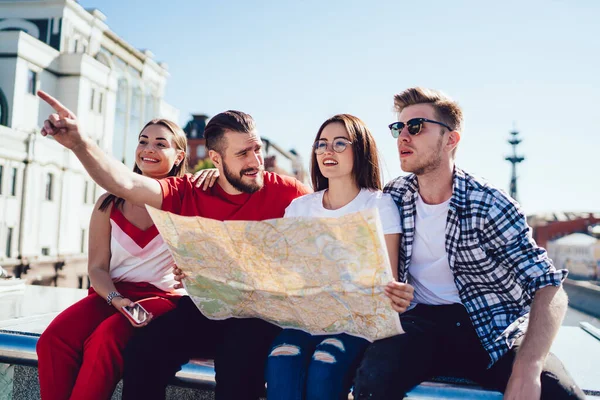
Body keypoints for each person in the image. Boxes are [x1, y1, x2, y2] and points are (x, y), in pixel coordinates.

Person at [36, 90, 311, 400]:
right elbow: (125, 184)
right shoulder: (189, 191)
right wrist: (80, 144)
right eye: (243, 154)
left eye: (257, 150)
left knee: (237, 364)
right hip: (205, 308)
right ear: (217, 159)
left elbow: (323, 226)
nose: (255, 162)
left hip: (256, 314)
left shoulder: (288, 192)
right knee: (143, 353)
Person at [352, 87, 585, 400]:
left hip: (488, 329)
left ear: (451, 140)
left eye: (416, 127)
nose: (403, 137)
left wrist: (528, 366)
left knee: (560, 394)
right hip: (420, 325)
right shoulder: (395, 196)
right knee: (370, 381)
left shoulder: (489, 204)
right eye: (398, 128)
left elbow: (548, 287)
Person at [36, 118, 190, 400]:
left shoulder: (187, 206)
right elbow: (96, 268)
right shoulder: (108, 202)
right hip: (112, 293)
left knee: (106, 338)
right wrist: (116, 299)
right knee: (52, 340)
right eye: (143, 141)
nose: (148, 149)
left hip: (162, 299)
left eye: (160, 143)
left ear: (179, 156)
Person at [263, 114, 404, 400]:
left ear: (360, 150)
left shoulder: (379, 204)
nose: (328, 151)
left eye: (340, 143)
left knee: (325, 364)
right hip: (306, 318)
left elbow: (388, 279)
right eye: (321, 144)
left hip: (357, 320)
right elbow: (287, 273)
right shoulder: (299, 208)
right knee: (281, 358)